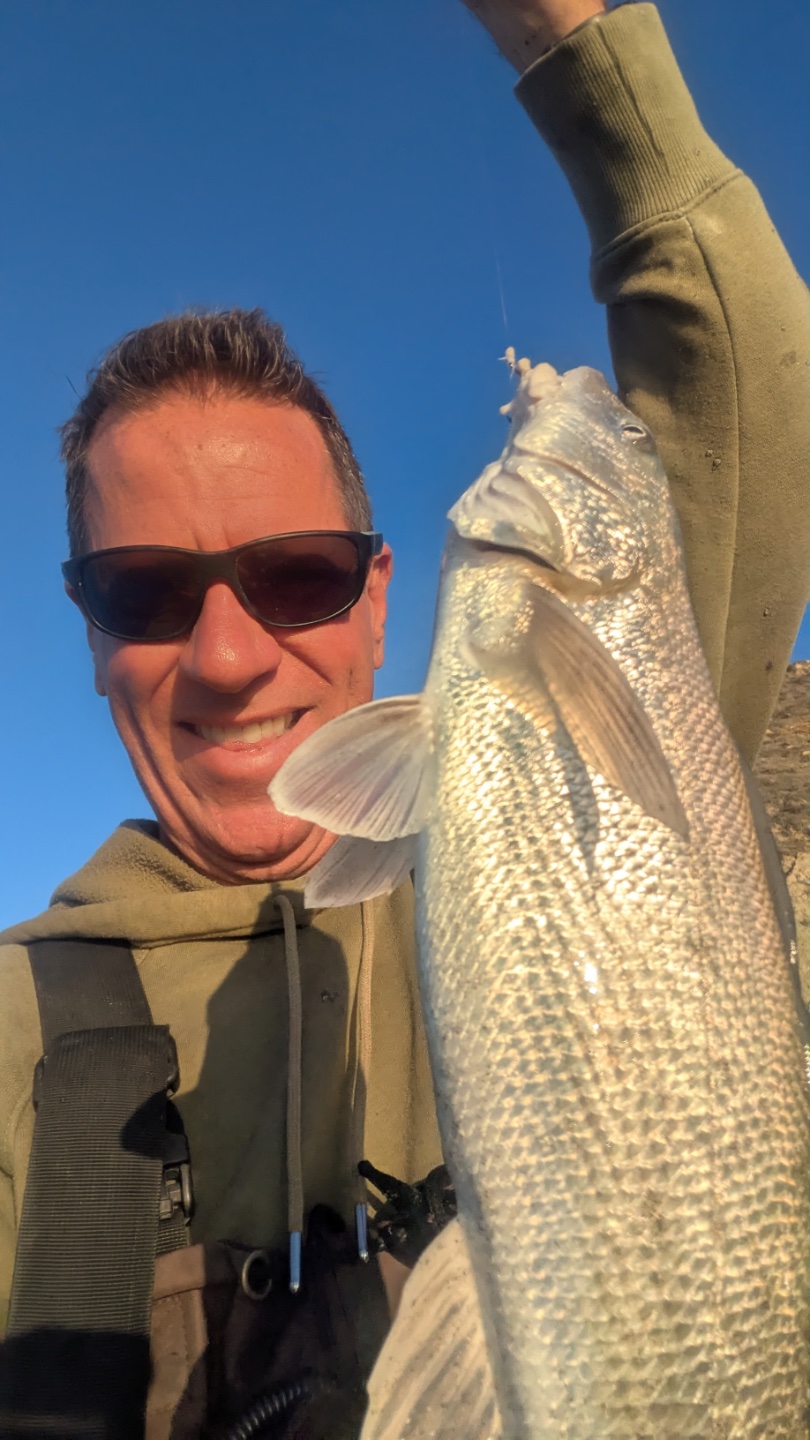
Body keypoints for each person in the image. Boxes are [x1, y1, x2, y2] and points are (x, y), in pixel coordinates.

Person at [0, 2, 807, 1436]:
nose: (229, 658)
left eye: (296, 576)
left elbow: (743, 381)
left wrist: (578, 43)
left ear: (380, 602)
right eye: (148, 592)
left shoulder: (574, 804)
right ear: (92, 637)